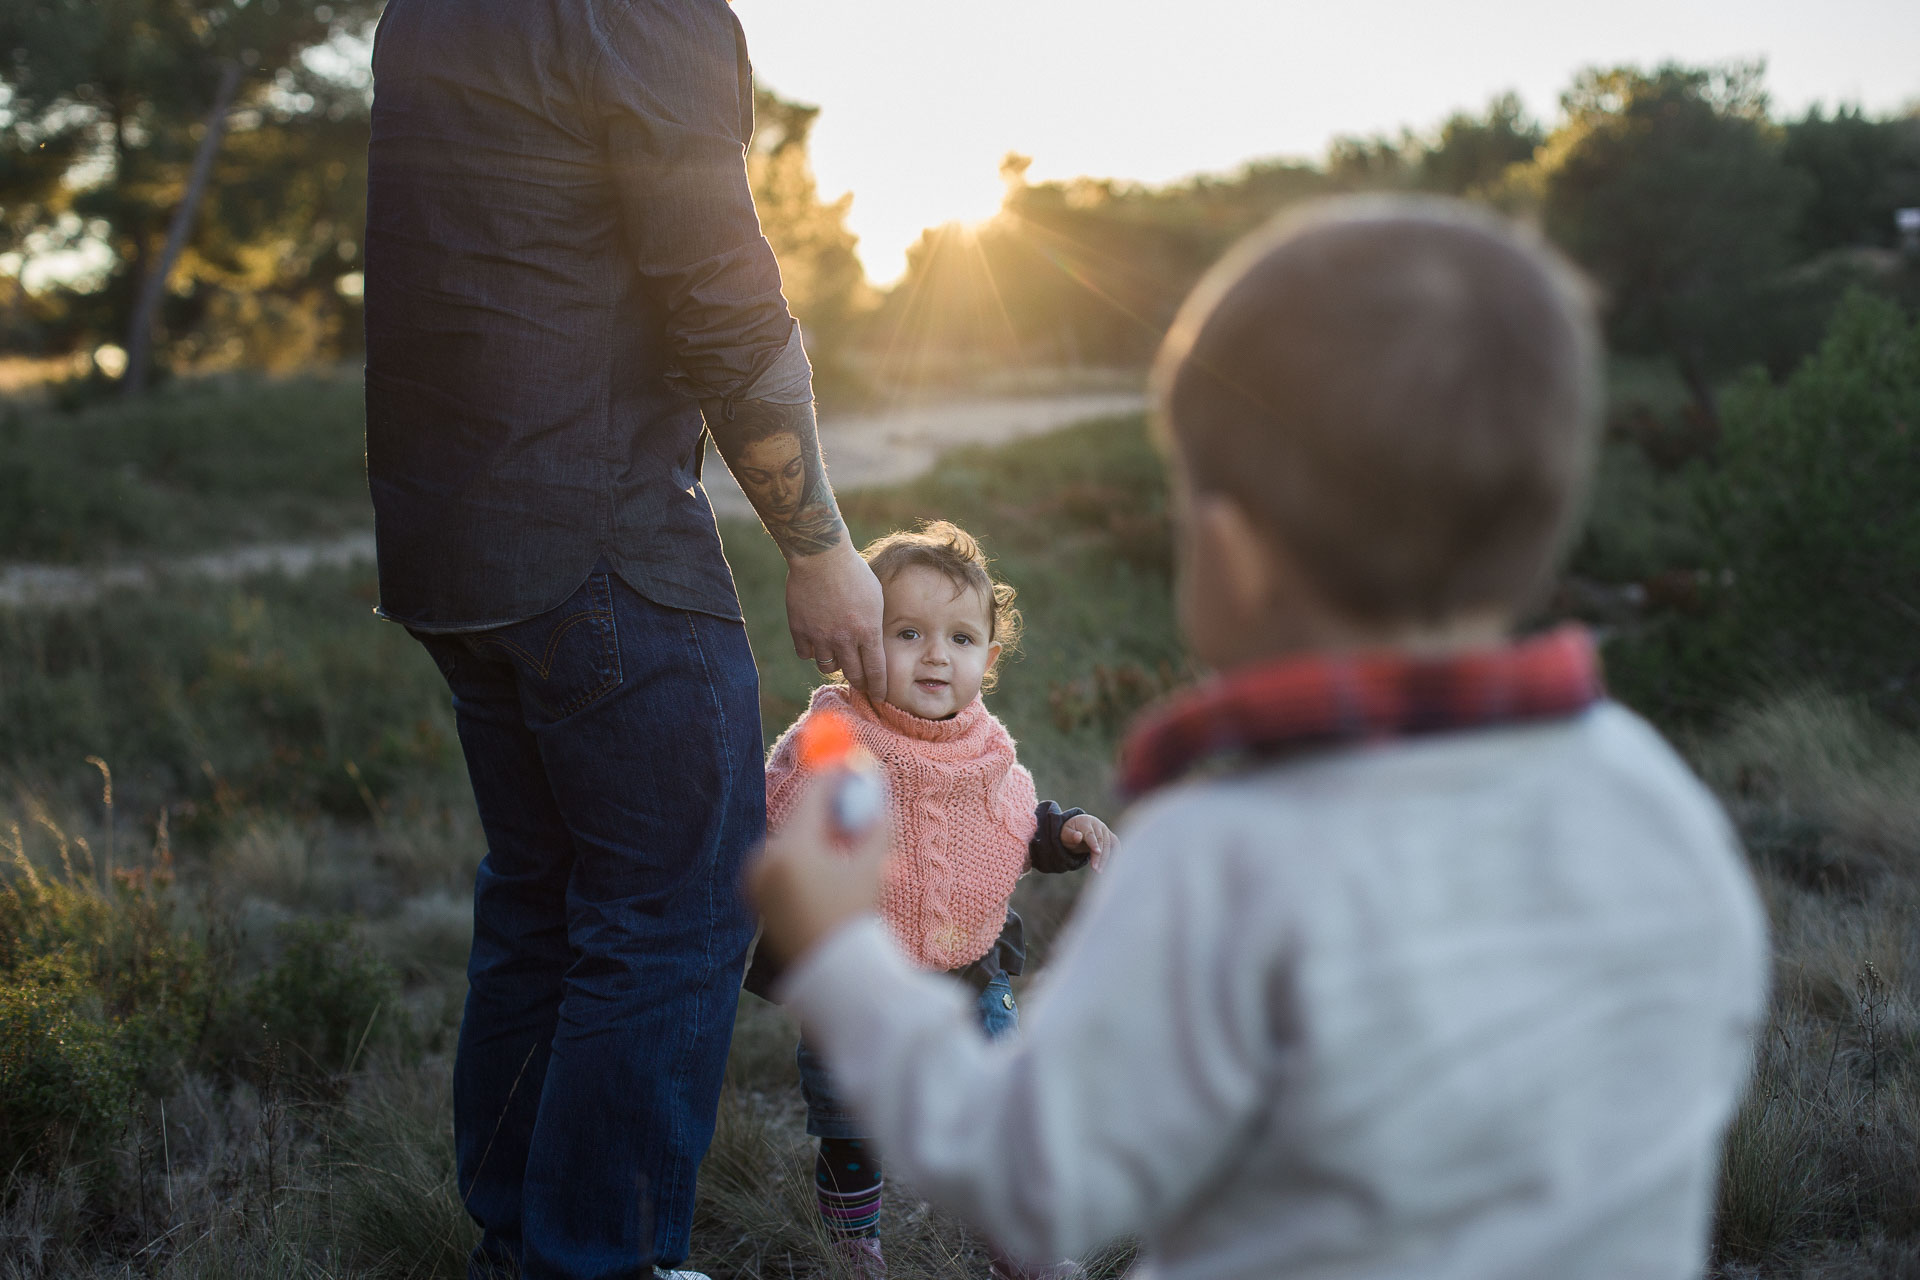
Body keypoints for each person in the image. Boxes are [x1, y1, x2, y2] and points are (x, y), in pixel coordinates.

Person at [747, 197, 1770, 1280]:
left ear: (1228, 551)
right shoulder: (1662, 808)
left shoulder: (1227, 855)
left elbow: (1029, 1177)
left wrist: (842, 952)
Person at [361, 1, 885, 1276]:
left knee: (544, 896)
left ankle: (521, 1243)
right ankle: (595, 1258)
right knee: (678, 903)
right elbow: (718, 290)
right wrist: (817, 545)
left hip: (449, 542)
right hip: (593, 540)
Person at [745, 521, 1115, 1280]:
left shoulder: (986, 748)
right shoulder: (835, 734)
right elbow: (783, 812)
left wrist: (1066, 829)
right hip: (860, 974)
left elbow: (1014, 822)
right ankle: (856, 1248)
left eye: (961, 637)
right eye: (907, 632)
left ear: (990, 654)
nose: (937, 655)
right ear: (857, 639)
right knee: (852, 1130)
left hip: (973, 972)